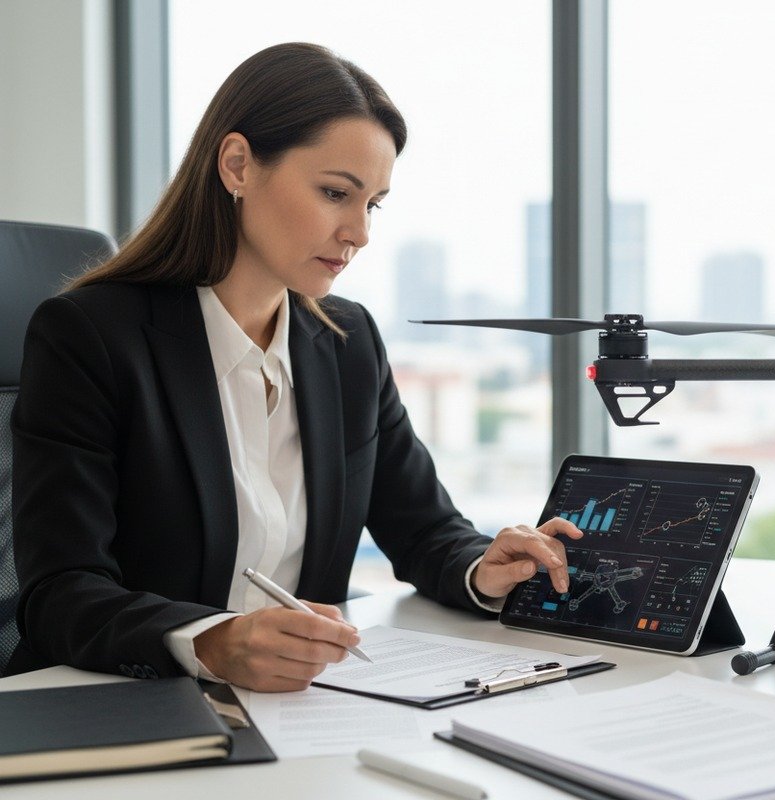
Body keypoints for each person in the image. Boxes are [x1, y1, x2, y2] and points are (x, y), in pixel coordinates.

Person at [7, 42, 580, 691]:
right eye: (337, 192)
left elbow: (423, 527)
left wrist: (483, 566)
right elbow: (59, 591)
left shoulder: (347, 341)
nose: (360, 232)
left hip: (297, 708)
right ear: (237, 165)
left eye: (374, 203)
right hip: (125, 703)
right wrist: (212, 640)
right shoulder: (92, 335)